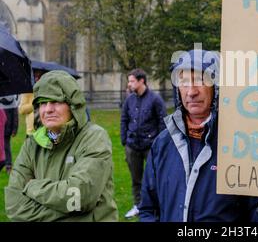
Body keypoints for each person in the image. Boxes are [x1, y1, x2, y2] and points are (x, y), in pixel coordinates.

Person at [139, 50, 258, 222]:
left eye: (201, 81)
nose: (192, 91)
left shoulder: (244, 143)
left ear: (218, 86)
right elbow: (149, 210)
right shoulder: (162, 144)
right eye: (184, 82)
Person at [5, 70, 118, 221]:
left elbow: (79, 197)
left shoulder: (94, 138)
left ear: (73, 105)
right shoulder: (32, 144)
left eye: (56, 101)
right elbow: (13, 205)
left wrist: (32, 186)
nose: (48, 109)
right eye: (43, 103)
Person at [121, 68, 167, 219]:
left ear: (142, 81)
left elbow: (162, 122)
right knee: (136, 179)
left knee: (155, 178)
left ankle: (158, 206)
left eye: (132, 81)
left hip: (150, 147)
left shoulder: (155, 99)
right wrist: (124, 140)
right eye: (129, 81)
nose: (129, 84)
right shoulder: (129, 100)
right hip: (132, 146)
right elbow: (124, 119)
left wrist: (159, 144)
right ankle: (138, 205)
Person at [3, 107, 18, 174]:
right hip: (4, 128)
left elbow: (15, 116)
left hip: (6, 129)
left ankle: (8, 165)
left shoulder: (12, 100)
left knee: (6, 147)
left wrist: (14, 129)